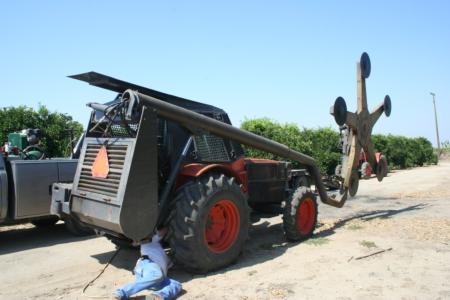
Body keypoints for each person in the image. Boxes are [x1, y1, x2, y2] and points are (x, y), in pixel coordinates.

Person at [114, 228, 182, 300]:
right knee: (157, 275)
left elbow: (171, 264)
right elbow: (160, 233)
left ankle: (155, 297)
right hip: (147, 265)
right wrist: (167, 227)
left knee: (176, 284)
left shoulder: (163, 254)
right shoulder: (148, 242)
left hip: (157, 280)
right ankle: (121, 292)